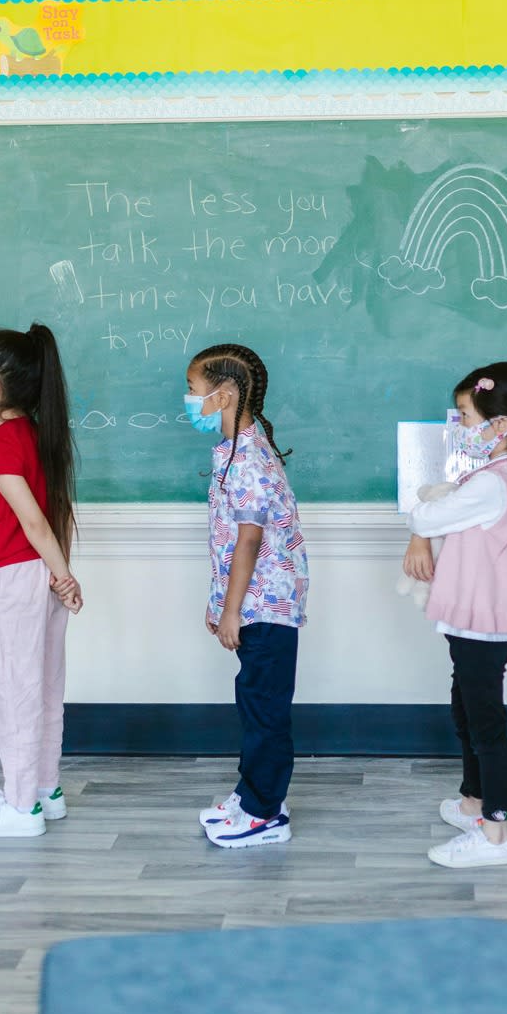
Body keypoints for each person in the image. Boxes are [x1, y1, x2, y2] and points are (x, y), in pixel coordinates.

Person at [403, 363, 507, 870]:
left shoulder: (493, 484)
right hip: (478, 620)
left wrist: (419, 528)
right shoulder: (504, 475)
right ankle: (472, 802)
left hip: (484, 622)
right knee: (467, 709)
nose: (459, 425)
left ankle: (496, 832)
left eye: (465, 416)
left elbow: (425, 513)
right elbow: (434, 513)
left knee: (485, 723)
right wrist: (423, 526)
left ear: (501, 424)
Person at [0, 326, 85, 838]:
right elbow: (58, 513)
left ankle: (19, 807)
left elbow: (32, 521)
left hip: (16, 577)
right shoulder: (35, 434)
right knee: (45, 687)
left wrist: (63, 575)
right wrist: (62, 576)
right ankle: (44, 790)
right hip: (43, 577)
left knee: (14, 691)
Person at [187, 344, 307, 849]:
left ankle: (263, 813)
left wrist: (232, 609)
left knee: (264, 709)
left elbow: (250, 540)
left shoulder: (251, 461)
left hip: (265, 608)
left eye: (194, 391)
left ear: (226, 393)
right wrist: (221, 603)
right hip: (253, 605)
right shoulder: (235, 451)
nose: (190, 401)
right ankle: (253, 793)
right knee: (254, 702)